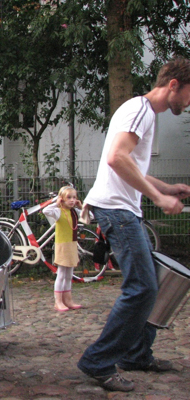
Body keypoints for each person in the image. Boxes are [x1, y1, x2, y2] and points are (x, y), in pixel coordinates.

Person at [77, 58, 190, 392]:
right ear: (174, 85)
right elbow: (116, 158)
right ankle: (98, 360)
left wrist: (166, 188)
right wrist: (158, 197)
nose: (188, 102)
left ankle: (137, 354)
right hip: (116, 209)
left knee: (151, 282)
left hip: (123, 209)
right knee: (142, 287)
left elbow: (129, 163)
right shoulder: (140, 109)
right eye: (188, 94)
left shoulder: (144, 113)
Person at [42, 186, 83, 312]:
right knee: (61, 274)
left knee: (69, 274)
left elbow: (90, 216)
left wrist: (81, 207)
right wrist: (56, 203)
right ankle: (58, 301)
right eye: (69, 198)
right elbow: (45, 211)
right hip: (62, 245)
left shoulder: (75, 212)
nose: (72, 200)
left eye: (74, 197)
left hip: (72, 244)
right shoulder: (58, 211)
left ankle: (68, 299)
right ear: (62, 199)